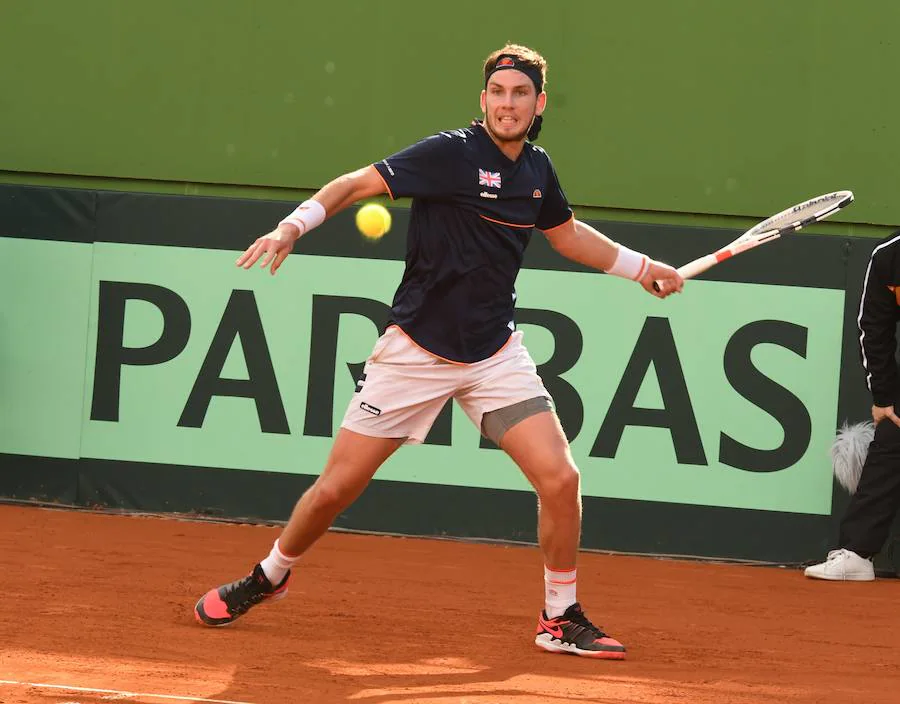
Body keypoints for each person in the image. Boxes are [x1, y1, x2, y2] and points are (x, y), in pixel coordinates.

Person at [194, 43, 683, 659]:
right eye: (499, 94)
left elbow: (567, 236)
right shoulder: (450, 154)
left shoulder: (538, 171)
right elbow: (353, 183)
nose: (509, 105)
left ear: (539, 104)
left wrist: (642, 268)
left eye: (521, 95)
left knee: (561, 480)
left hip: (492, 355)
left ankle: (559, 617)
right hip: (414, 353)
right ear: (484, 101)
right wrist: (293, 224)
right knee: (334, 491)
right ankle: (271, 574)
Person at [806, 231, 900, 581]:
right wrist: (884, 399)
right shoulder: (890, 256)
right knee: (892, 436)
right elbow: (873, 327)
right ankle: (857, 555)